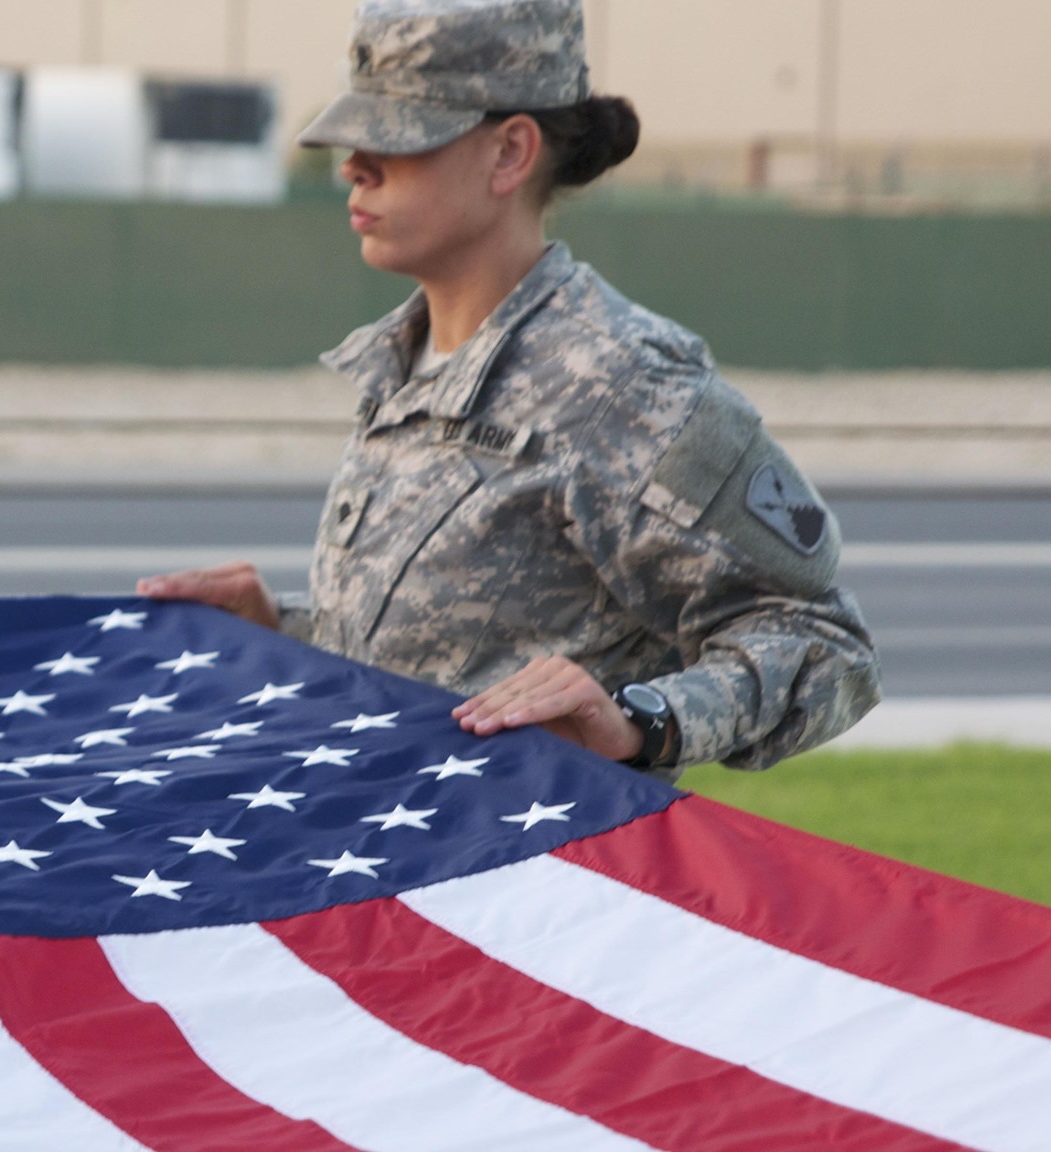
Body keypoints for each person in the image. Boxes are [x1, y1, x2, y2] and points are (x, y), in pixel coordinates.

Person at [139, 0, 879, 781]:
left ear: (508, 155)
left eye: (395, 137)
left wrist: (641, 721)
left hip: (533, 879)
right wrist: (283, 630)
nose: (354, 164)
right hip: (396, 869)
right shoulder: (407, 358)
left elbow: (822, 642)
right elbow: (453, 657)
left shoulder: (620, 382)